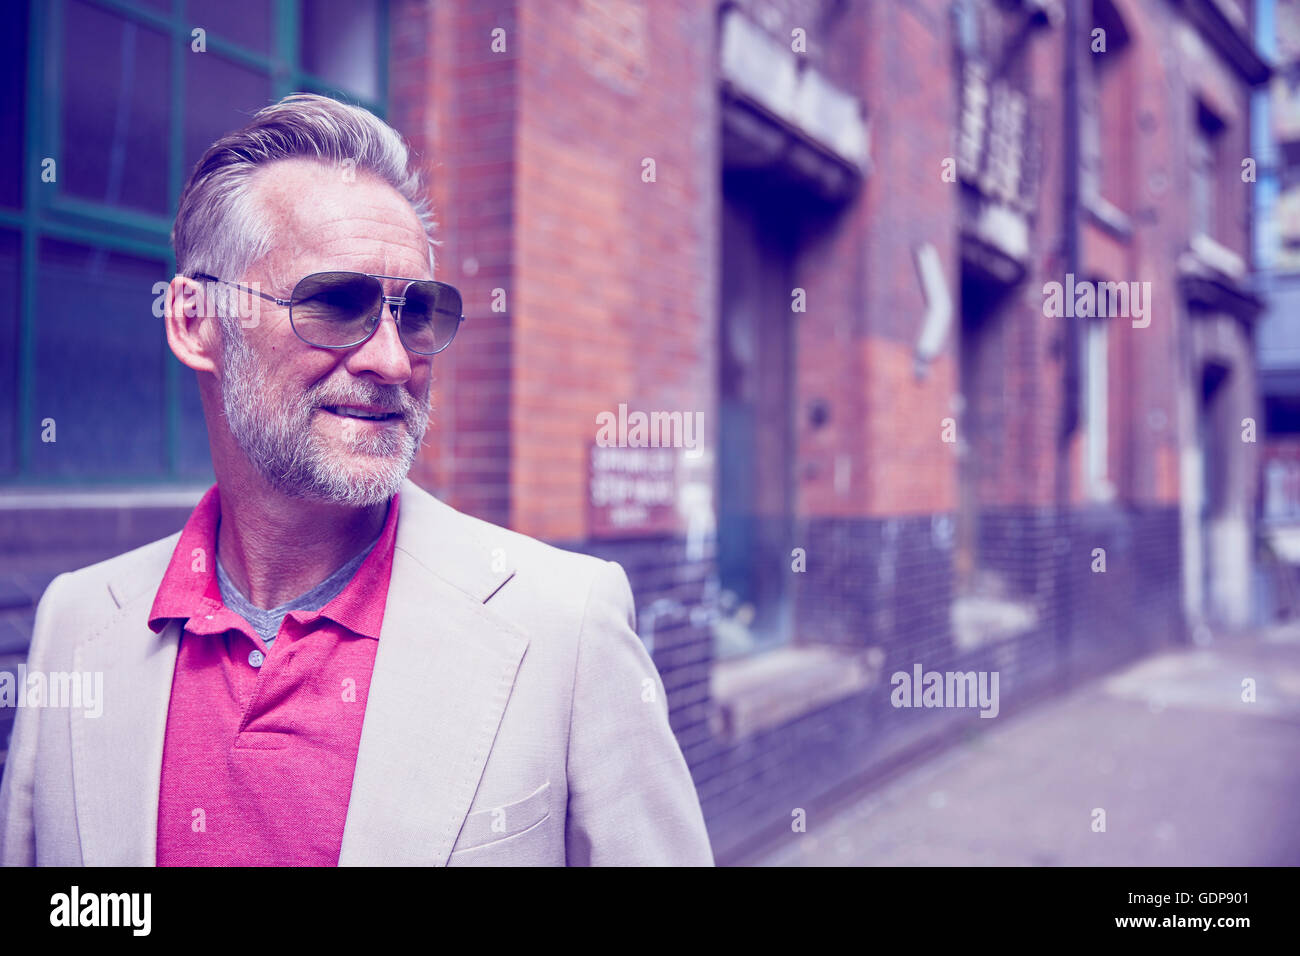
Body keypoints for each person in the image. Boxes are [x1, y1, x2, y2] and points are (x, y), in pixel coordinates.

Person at [0, 93, 714, 867]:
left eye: (417, 313)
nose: (392, 360)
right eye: (335, 303)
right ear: (195, 321)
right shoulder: (75, 625)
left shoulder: (567, 627)